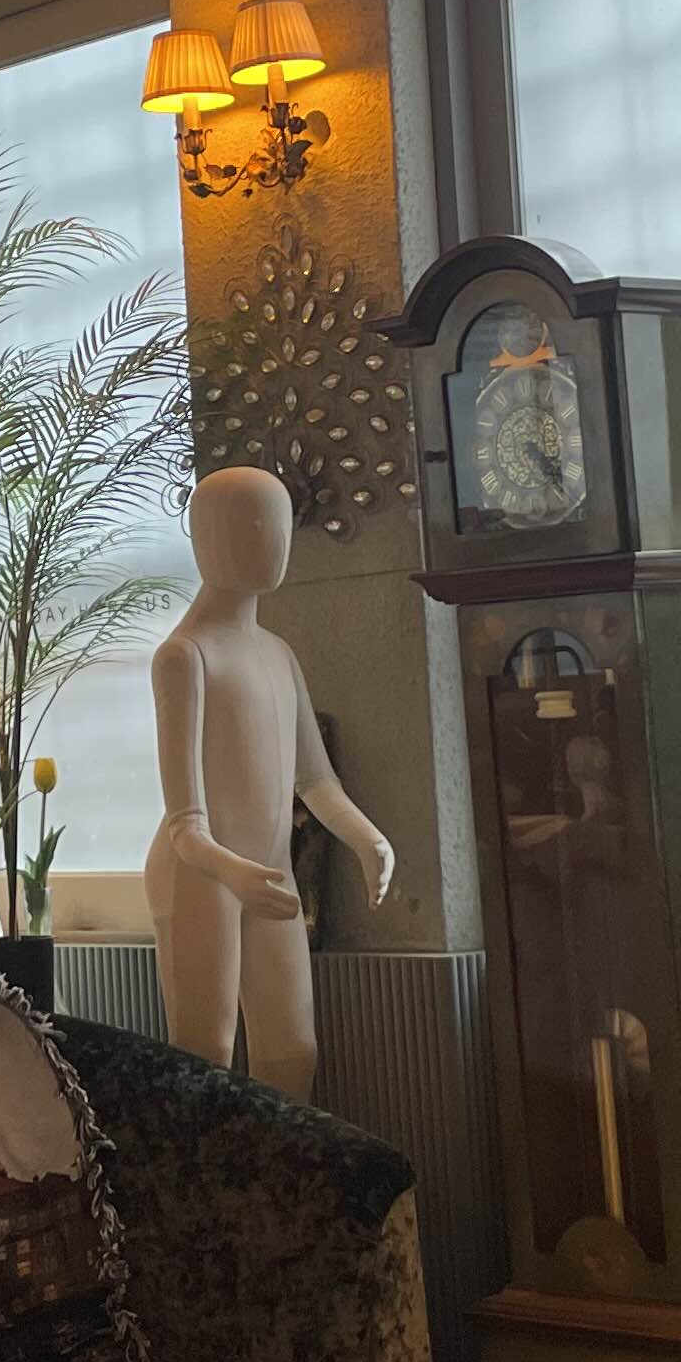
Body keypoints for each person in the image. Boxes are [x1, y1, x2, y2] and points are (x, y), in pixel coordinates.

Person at [143, 468, 393, 1105]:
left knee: (292, 1052)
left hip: (268, 874)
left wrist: (367, 839)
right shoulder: (185, 657)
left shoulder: (279, 654)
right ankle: (208, 1173)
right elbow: (186, 825)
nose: (274, 540)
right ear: (205, 538)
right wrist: (236, 873)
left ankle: (281, 1171)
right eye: (254, 523)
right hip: (201, 874)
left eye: (280, 523)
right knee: (207, 1055)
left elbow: (315, 779)